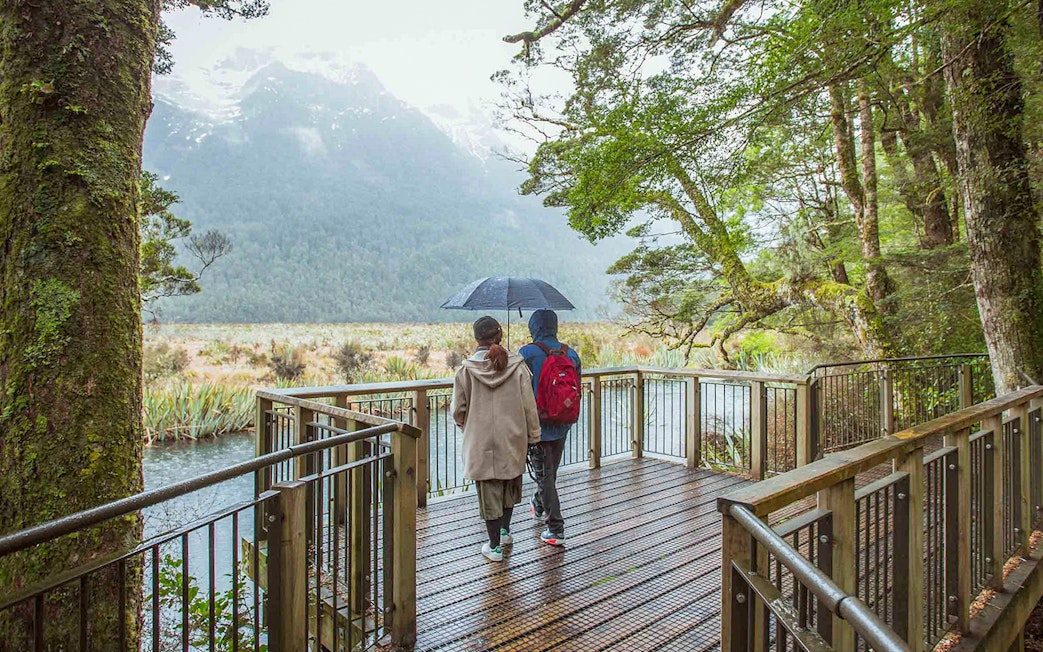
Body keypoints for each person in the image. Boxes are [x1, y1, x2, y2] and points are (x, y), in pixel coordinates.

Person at [452, 316, 542, 562]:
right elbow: (528, 406)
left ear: (476, 337)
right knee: (509, 485)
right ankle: (504, 533)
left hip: (480, 440)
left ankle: (493, 547)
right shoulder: (517, 366)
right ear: (499, 335)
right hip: (512, 436)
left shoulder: (466, 370)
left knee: (489, 489)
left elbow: (458, 410)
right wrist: (534, 435)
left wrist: (466, 425)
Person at [520, 309, 582, 547]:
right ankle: (537, 504)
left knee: (545, 476)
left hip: (538, 423)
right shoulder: (571, 353)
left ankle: (556, 527)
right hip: (563, 421)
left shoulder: (527, 353)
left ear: (534, 327)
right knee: (549, 473)